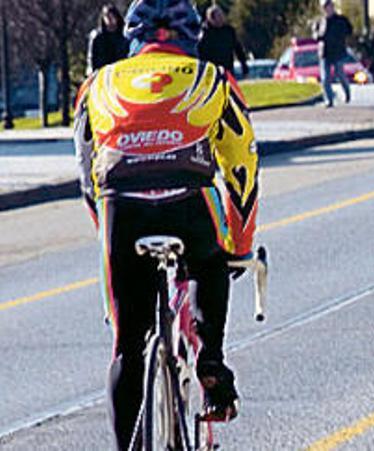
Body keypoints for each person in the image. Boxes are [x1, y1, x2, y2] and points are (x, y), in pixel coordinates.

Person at [73, 0, 259, 448]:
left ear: (133, 38)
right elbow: (242, 168)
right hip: (188, 202)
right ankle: (210, 361)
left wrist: (107, 232)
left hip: (123, 210)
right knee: (212, 258)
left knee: (126, 348)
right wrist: (239, 244)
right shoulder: (212, 78)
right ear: (191, 36)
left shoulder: (97, 84)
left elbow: (86, 176)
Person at [316, 0, 353, 107]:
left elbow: (349, 30)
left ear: (333, 7)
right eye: (325, 7)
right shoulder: (320, 22)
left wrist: (341, 37)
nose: (328, 9)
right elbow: (316, 35)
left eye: (329, 6)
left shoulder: (341, 20)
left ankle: (347, 91)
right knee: (325, 78)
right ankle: (329, 100)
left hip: (338, 52)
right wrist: (320, 35)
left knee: (339, 73)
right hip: (325, 52)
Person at [198, 5, 249, 77]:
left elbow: (238, 49)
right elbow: (199, 53)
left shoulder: (229, 31)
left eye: (222, 16)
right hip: (210, 72)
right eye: (219, 16)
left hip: (228, 70)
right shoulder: (204, 33)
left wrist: (244, 67)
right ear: (211, 19)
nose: (222, 18)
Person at [87, 4, 128, 74]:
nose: (109, 19)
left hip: (118, 73)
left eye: (112, 16)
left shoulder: (122, 38)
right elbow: (91, 58)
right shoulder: (96, 36)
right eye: (107, 16)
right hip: (100, 74)